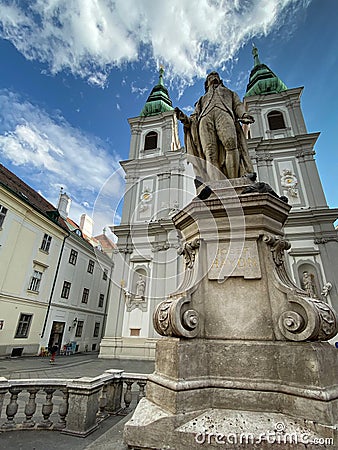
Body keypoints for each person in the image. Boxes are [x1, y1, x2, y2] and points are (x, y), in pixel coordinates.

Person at [175, 71, 254, 181]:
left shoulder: (229, 93)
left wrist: (244, 115)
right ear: (207, 84)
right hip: (205, 119)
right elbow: (194, 118)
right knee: (210, 153)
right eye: (210, 77)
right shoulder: (202, 99)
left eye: (216, 76)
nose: (213, 78)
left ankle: (234, 180)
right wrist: (183, 118)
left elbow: (237, 105)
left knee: (231, 143)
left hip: (225, 114)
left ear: (220, 80)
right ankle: (216, 185)